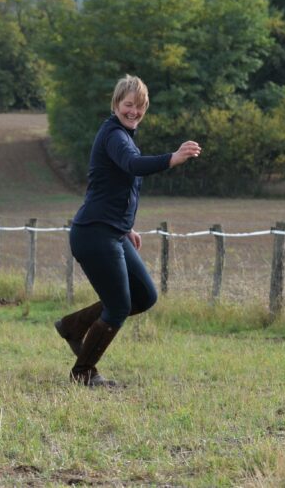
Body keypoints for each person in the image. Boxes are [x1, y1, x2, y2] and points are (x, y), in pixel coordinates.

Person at [56, 75, 201, 387]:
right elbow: (133, 165)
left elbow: (114, 187)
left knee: (145, 296)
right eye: (128, 105)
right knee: (119, 305)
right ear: (116, 104)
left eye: (139, 106)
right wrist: (172, 159)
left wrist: (128, 226)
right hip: (94, 234)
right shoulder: (115, 136)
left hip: (114, 232)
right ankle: (83, 372)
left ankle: (72, 325)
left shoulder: (123, 136)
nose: (133, 111)